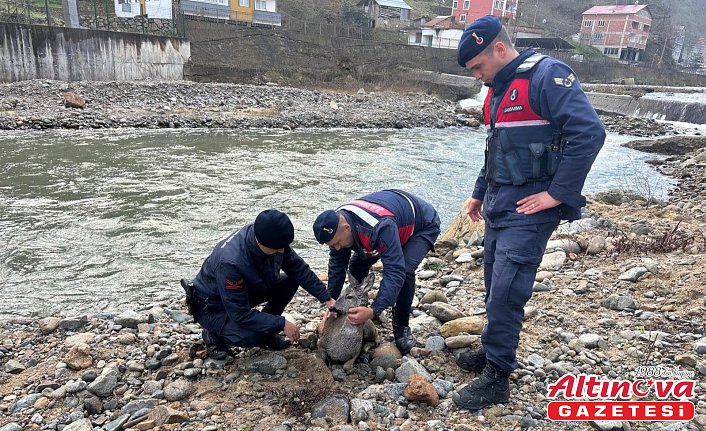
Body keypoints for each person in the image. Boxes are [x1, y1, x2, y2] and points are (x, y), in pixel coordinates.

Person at [452, 16, 605, 410]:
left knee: (507, 291)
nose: (478, 77)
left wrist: (557, 194)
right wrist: (478, 193)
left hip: (530, 208)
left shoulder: (548, 76)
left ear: (499, 49)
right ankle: (491, 352)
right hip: (501, 204)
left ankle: (497, 378)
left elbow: (589, 133)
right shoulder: (498, 89)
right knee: (493, 285)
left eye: (478, 67)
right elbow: (496, 147)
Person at [186, 209, 335, 360]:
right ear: (261, 242)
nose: (282, 251)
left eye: (284, 246)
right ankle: (213, 335)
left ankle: (267, 332)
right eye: (278, 248)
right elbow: (240, 313)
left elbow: (299, 269)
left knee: (291, 280)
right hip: (213, 307)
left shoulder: (271, 237)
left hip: (246, 288)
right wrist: (281, 323)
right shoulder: (231, 263)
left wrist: (326, 298)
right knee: (253, 338)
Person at [312, 189, 441, 355]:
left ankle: (401, 326)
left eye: (337, 242)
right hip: (392, 222)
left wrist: (375, 310)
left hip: (421, 225)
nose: (336, 248)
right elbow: (337, 265)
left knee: (406, 270)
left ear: (347, 227)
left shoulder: (379, 228)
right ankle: (357, 306)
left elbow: (395, 271)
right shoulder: (336, 225)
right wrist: (332, 301)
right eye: (332, 246)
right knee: (357, 264)